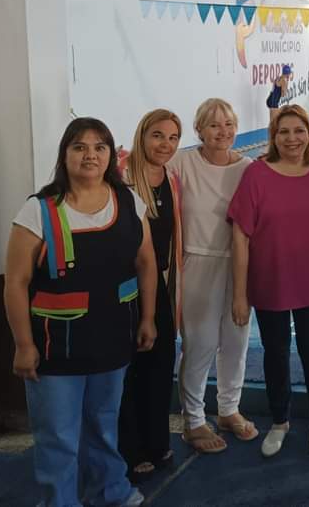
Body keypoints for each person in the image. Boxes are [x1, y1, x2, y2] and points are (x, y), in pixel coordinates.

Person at [4, 118, 157, 507]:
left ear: (110, 155)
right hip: (55, 350)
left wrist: (147, 318)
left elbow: (146, 263)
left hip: (113, 340)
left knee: (104, 425)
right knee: (58, 436)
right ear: (64, 155)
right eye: (80, 147)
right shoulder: (38, 211)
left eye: (99, 147)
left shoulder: (129, 202)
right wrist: (24, 345)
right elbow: (16, 282)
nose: (91, 155)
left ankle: (109, 492)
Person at [229, 104, 309, 458]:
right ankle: (279, 421)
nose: (292, 138)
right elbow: (240, 236)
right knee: (275, 353)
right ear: (273, 137)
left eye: (299, 131)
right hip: (270, 279)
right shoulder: (257, 174)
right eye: (283, 132)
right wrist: (240, 294)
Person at [173, 99, 257, 454]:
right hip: (197, 261)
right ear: (199, 130)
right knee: (200, 342)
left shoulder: (249, 168)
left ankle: (228, 409)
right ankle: (193, 419)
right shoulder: (182, 163)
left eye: (228, 124)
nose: (223, 132)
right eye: (213, 125)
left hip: (241, 262)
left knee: (236, 340)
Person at [118, 109, 183, 480]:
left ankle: (157, 441)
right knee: (130, 369)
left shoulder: (171, 179)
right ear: (142, 135)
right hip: (125, 287)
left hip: (158, 284)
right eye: (158, 135)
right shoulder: (122, 178)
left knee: (160, 364)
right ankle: (130, 449)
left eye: (173, 138)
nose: (165, 144)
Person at [266, 64, 293, 130]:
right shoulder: (284, 80)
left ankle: (271, 135)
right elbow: (283, 94)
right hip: (274, 103)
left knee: (272, 123)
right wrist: (286, 84)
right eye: (289, 73)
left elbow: (273, 90)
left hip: (270, 100)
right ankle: (273, 136)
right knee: (274, 123)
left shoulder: (277, 78)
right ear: (288, 73)